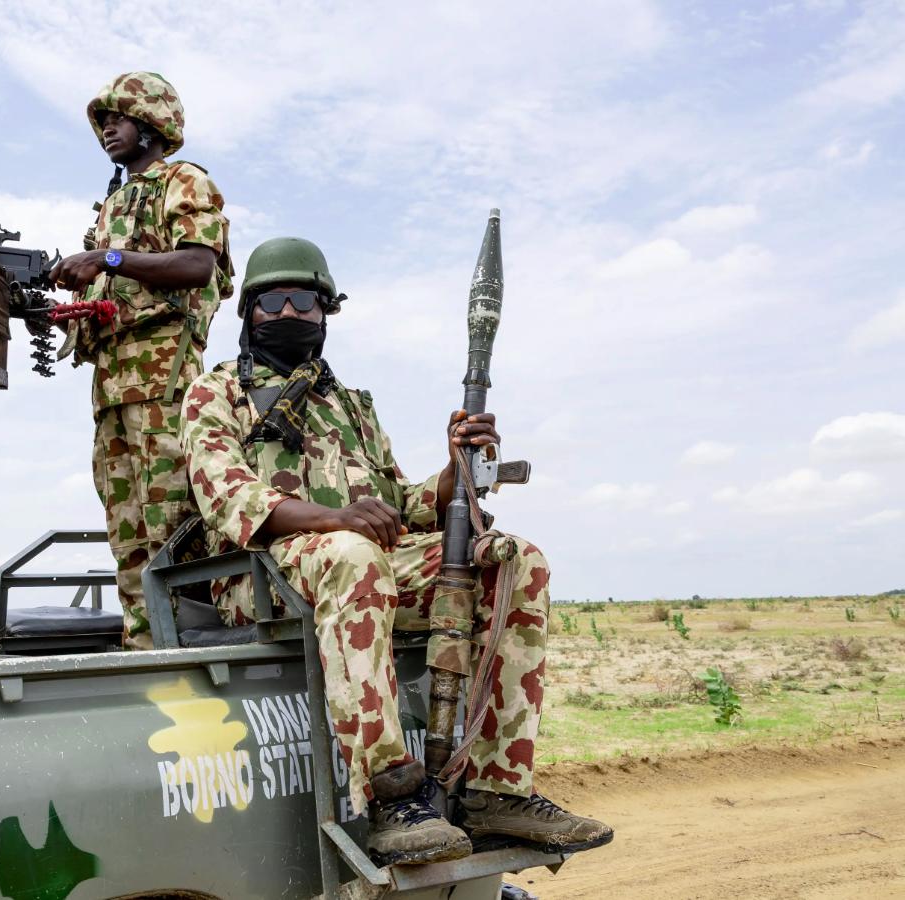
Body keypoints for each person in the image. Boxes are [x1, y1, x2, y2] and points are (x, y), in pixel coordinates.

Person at [179, 237, 612, 865]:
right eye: (273, 300)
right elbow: (231, 499)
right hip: (264, 575)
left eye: (306, 299)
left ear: (326, 312)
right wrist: (338, 519)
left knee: (517, 558)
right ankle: (391, 797)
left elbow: (403, 503)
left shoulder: (350, 405)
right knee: (354, 553)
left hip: (365, 562)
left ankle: (497, 791)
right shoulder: (213, 393)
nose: (289, 311)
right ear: (248, 313)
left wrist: (454, 466)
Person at [49, 72, 233, 650]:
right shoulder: (113, 203)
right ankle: (144, 645)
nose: (107, 127)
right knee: (125, 524)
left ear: (152, 125)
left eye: (119, 117)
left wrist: (106, 257)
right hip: (111, 386)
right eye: (103, 119)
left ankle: (193, 644)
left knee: (173, 519)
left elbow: (198, 265)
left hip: (165, 380)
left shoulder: (183, 181)